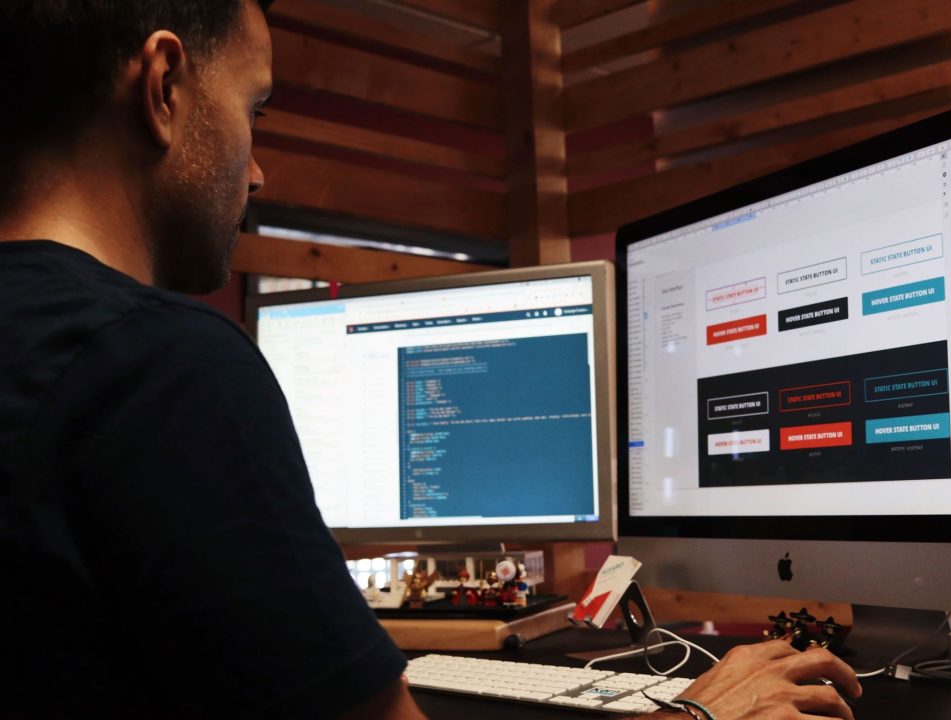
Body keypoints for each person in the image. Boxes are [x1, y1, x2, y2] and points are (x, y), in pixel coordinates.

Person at [0, 1, 860, 718]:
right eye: (254, 110)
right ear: (164, 86)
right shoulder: (158, 365)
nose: (257, 171)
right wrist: (703, 711)